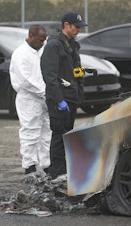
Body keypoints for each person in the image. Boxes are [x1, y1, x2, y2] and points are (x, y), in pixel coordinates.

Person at [40, 12, 87, 179]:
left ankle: (64, 171)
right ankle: (56, 173)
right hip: (59, 99)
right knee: (59, 136)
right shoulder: (54, 45)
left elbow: (76, 69)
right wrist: (59, 100)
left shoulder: (72, 44)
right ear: (66, 25)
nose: (79, 30)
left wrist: (80, 89)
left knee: (67, 135)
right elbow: (50, 76)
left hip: (72, 97)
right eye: (76, 27)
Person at [9, 25, 51, 176]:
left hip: (44, 98)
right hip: (29, 99)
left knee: (47, 132)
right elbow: (25, 80)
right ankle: (30, 167)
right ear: (31, 36)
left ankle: (47, 165)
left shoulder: (42, 50)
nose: (42, 43)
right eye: (40, 40)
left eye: (44, 40)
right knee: (30, 132)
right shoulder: (21, 54)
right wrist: (45, 93)